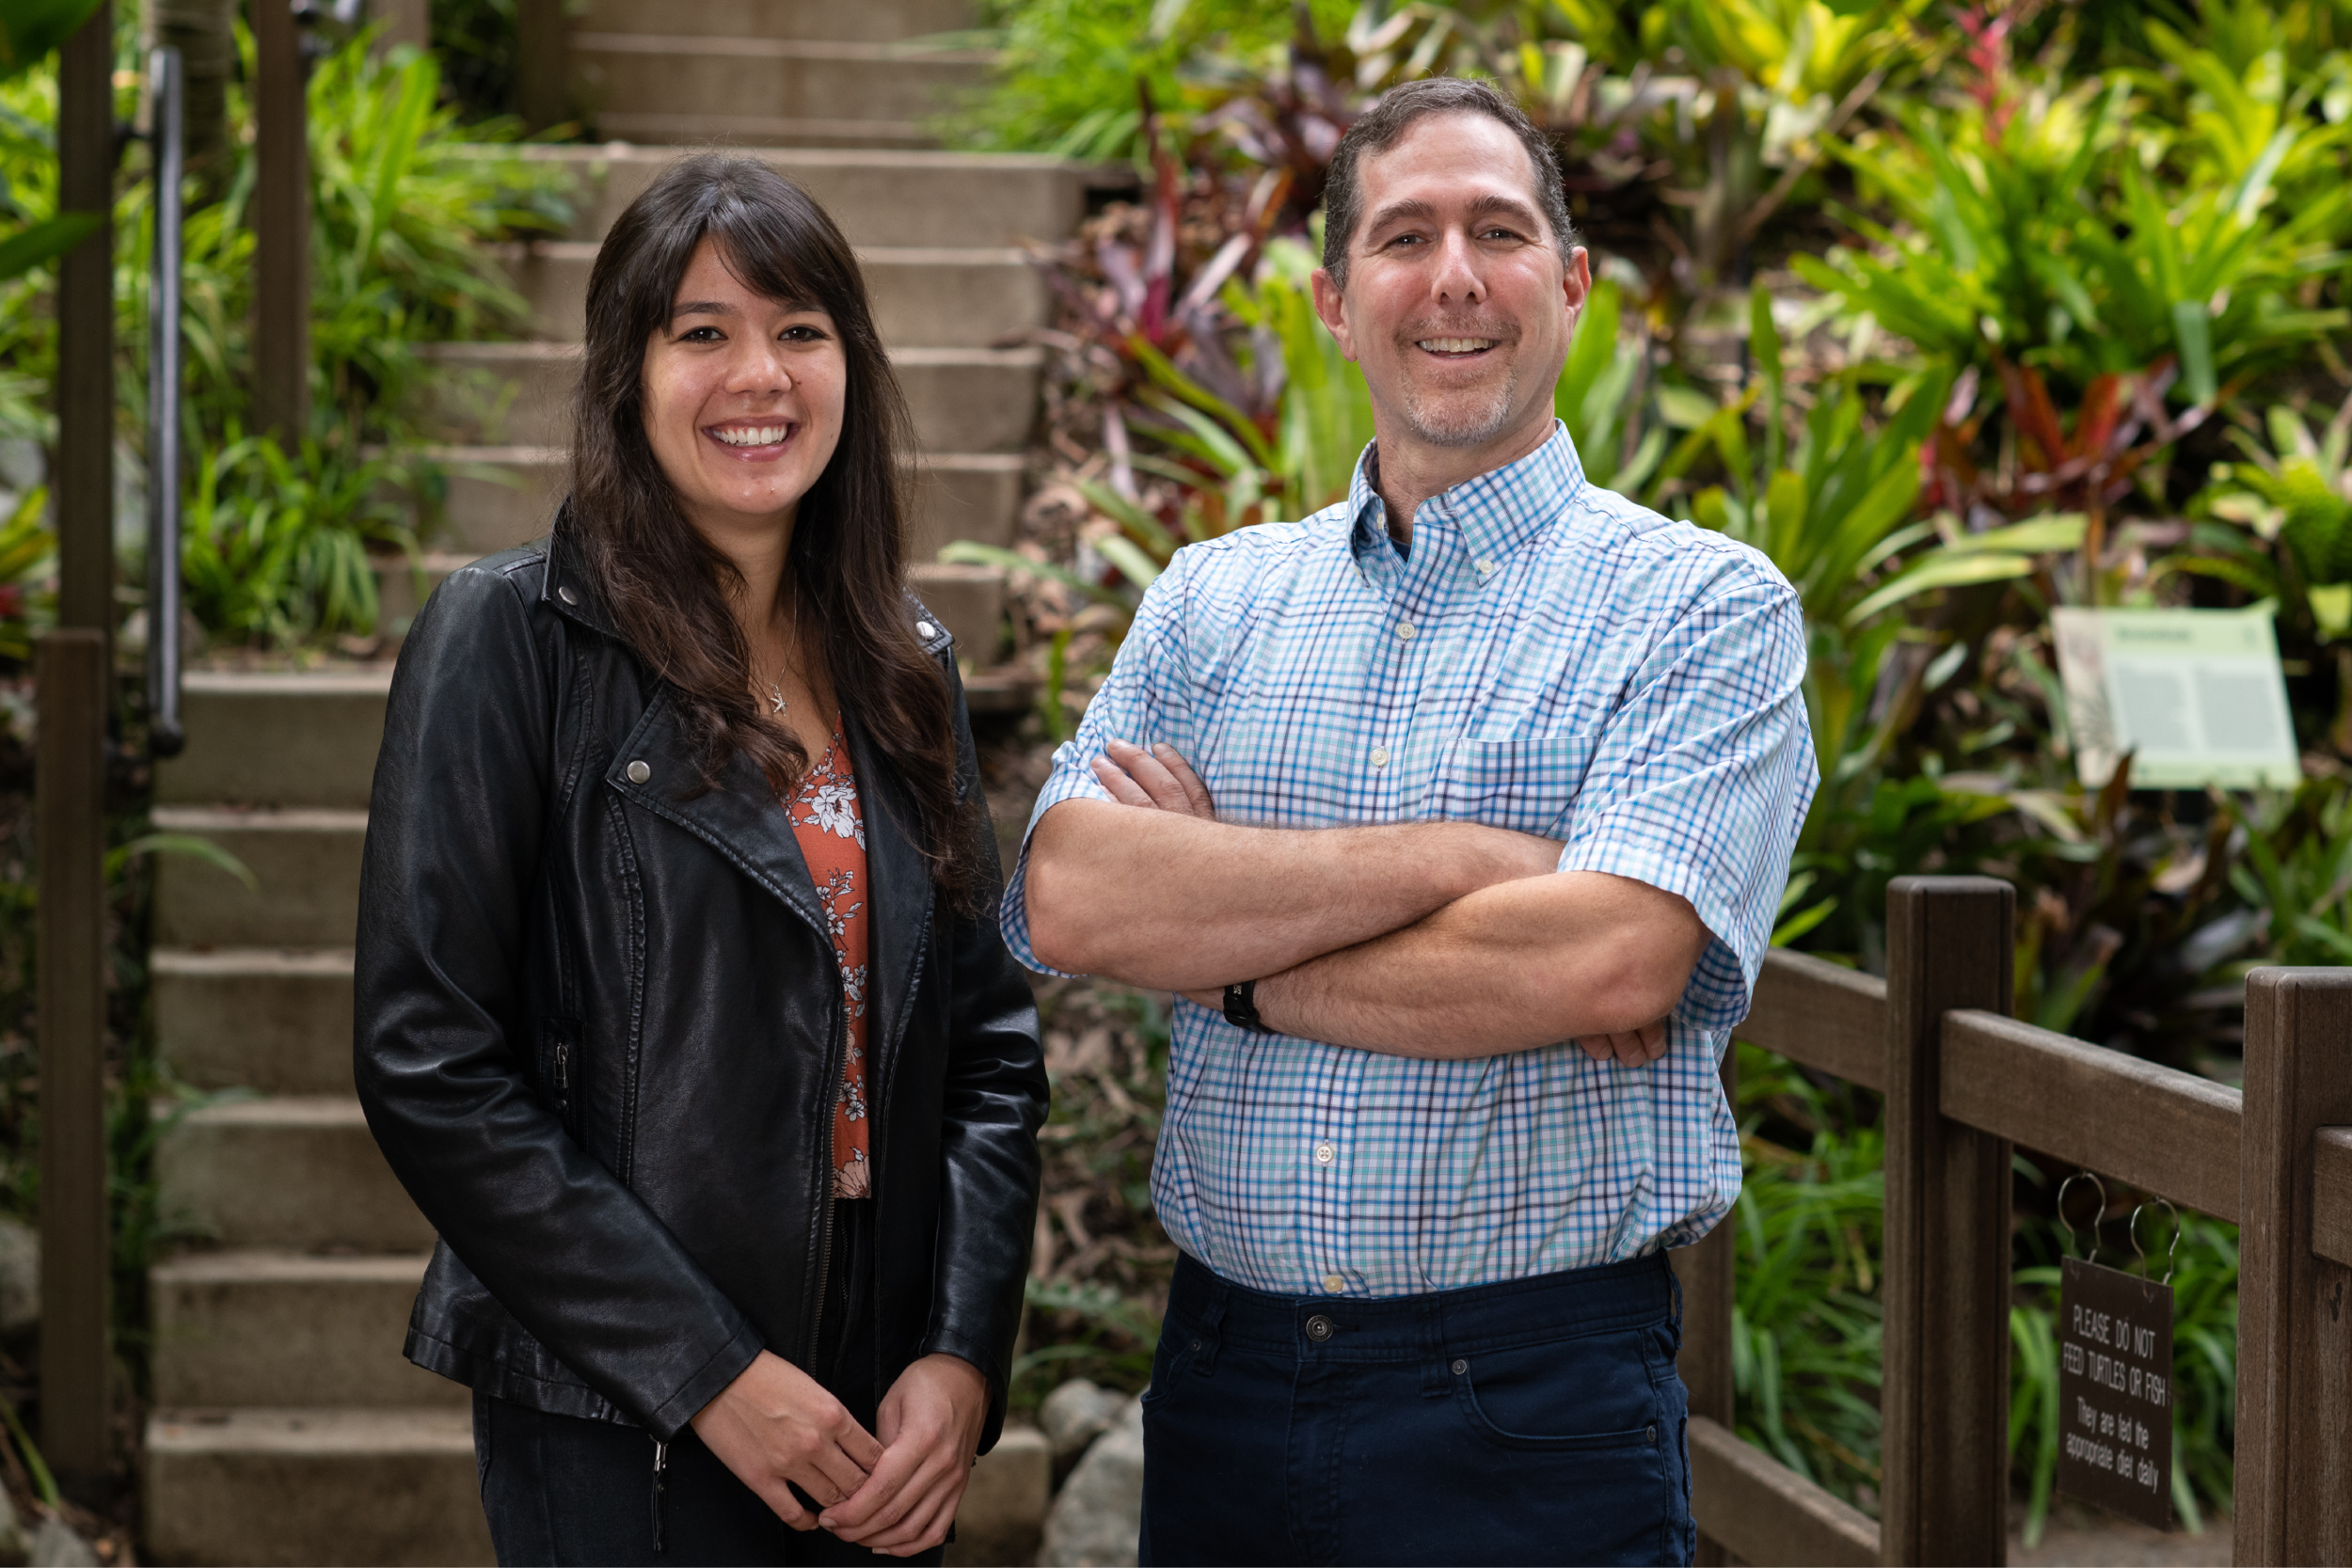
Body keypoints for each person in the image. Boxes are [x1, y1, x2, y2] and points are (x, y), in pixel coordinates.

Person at [1002, 78, 1817, 1564]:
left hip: (1531, 1406)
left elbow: (1614, 961)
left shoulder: (1703, 608)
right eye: (1404, 236)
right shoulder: (1213, 601)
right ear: (1333, 295)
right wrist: (1468, 867)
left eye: (1499, 232)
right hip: (1223, 1384)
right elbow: (1071, 895)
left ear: (1570, 285)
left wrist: (1223, 957)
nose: (1453, 278)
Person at [355, 154, 1047, 1566]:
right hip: (622, 1394)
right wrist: (707, 1370)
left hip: (879, 1394)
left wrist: (963, 1350)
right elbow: (429, 1057)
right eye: (703, 332)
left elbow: (989, 1045)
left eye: (801, 330)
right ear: (629, 372)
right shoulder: (508, 640)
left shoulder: (907, 664)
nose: (761, 376)